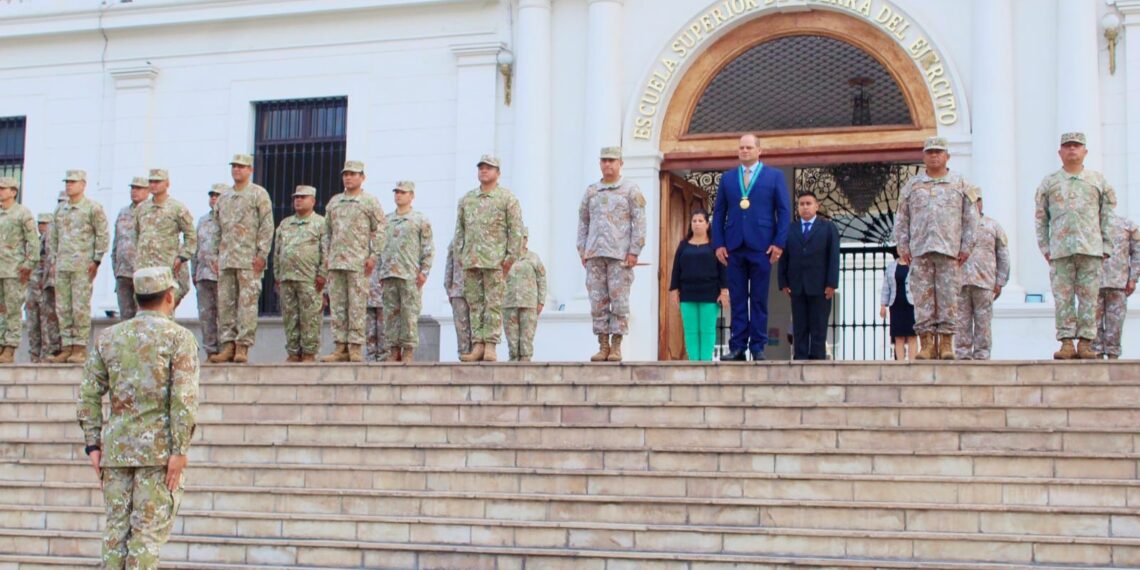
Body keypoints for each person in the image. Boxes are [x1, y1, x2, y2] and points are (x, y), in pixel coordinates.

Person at [77, 266, 199, 569]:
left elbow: (89, 393)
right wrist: (180, 450)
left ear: (136, 298)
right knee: (146, 536)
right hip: (158, 454)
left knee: (115, 533)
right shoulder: (178, 338)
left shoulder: (108, 338)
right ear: (169, 296)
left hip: (116, 452)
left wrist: (92, 444)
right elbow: (183, 399)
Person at [895, 136, 978, 360]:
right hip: (920, 250)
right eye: (930, 152)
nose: (934, 155)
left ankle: (947, 343)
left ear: (947, 156)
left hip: (950, 250)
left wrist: (967, 246)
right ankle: (927, 344)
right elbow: (902, 217)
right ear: (923, 156)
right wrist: (903, 246)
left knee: (949, 298)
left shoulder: (960, 183)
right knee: (922, 298)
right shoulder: (912, 185)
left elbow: (971, 218)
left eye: (938, 152)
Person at [1034, 132, 1116, 360]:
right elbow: (1041, 218)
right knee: (1063, 298)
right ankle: (1067, 343)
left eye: (1077, 146)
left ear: (1085, 152)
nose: (1072, 149)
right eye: (1068, 146)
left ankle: (1086, 343)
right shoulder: (1050, 183)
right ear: (1060, 152)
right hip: (1060, 251)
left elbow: (1108, 216)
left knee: (1089, 298)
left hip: (1091, 249)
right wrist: (1046, 247)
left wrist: (1106, 246)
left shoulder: (1097, 181)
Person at [712, 134, 791, 361]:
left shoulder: (774, 176)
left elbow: (784, 211)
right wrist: (719, 243)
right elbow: (719, 213)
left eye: (748, 147)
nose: (744, 151)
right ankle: (737, 347)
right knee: (737, 299)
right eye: (741, 148)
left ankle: (757, 346)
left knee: (758, 298)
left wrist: (779, 243)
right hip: (734, 246)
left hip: (762, 246)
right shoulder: (728, 178)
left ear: (759, 150)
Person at [577, 146, 647, 362]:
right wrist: (582, 249)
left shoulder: (630, 190)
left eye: (612, 160)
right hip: (595, 254)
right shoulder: (591, 191)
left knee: (619, 301)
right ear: (600, 163)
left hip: (620, 256)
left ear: (620, 163)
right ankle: (603, 345)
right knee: (597, 302)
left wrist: (634, 251)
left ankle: (616, 345)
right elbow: (583, 221)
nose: (607, 164)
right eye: (604, 160)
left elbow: (640, 222)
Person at [455, 154, 524, 363]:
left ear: (498, 173)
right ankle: (478, 344)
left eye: (489, 167)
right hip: (471, 260)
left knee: (493, 304)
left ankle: (491, 345)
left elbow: (516, 230)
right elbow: (460, 230)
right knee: (475, 304)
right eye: (481, 167)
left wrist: (510, 258)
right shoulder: (467, 199)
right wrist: (460, 254)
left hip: (495, 262)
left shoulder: (507, 199)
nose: (484, 170)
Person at [211, 154, 274, 364]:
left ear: (250, 170)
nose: (237, 170)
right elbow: (216, 228)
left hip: (249, 260)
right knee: (225, 304)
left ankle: (242, 346)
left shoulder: (258, 194)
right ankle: (227, 345)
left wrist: (262, 254)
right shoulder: (224, 197)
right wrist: (214, 256)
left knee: (247, 304)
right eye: (234, 166)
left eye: (241, 167)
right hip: (226, 259)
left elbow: (267, 226)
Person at [321, 160, 385, 363]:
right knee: (338, 306)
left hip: (358, 264)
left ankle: (355, 347)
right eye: (345, 174)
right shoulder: (334, 202)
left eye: (353, 174)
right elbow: (326, 232)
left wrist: (373, 256)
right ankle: (340, 347)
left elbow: (380, 230)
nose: (348, 177)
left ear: (362, 177)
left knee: (357, 305)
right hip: (336, 263)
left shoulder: (369, 202)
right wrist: (326, 256)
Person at [48, 170, 110, 364]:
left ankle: (80, 348)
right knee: (63, 307)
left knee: (80, 307)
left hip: (83, 266)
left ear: (83, 184)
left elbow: (102, 234)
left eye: (73, 182)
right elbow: (53, 237)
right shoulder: (61, 210)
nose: (69, 185)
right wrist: (53, 260)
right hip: (63, 265)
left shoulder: (92, 208)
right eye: (67, 182)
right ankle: (67, 347)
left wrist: (96, 260)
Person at [778, 192, 840, 360]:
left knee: (819, 324)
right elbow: (784, 257)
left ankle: (818, 358)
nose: (805, 207)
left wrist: (832, 283)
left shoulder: (828, 228)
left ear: (816, 206)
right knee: (800, 325)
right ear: (798, 207)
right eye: (802, 204)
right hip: (797, 285)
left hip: (820, 286)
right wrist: (783, 282)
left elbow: (833, 257)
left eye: (808, 203)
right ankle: (800, 357)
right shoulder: (790, 229)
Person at [380, 181, 433, 363]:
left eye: (403, 192)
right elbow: (379, 247)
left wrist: (424, 271)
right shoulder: (386, 220)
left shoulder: (419, 219)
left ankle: (408, 349)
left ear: (412, 196)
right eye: (396, 192)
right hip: (389, 273)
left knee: (409, 313)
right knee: (391, 314)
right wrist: (380, 271)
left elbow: (428, 247)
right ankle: (393, 349)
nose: (398, 195)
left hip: (410, 274)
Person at [274, 186, 328, 362]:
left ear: (313, 201)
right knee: (290, 317)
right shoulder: (285, 224)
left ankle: (309, 353)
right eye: (296, 197)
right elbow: (277, 251)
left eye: (303, 197)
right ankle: (293, 352)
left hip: (310, 279)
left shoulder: (321, 224)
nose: (298, 200)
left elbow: (326, 251)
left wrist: (323, 274)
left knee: (310, 317)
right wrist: (277, 275)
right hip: (287, 278)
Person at [956, 193, 1010, 360]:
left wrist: (1000, 281)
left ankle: (982, 356)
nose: (974, 205)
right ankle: (962, 356)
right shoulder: (956, 226)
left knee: (983, 322)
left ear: (981, 203)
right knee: (961, 322)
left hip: (984, 282)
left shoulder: (993, 226)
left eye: (977, 201)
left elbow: (1003, 254)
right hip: (960, 282)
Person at [669, 209, 728, 362]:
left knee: (707, 330)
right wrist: (674, 290)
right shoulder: (683, 245)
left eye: (700, 221)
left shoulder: (715, 245)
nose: (697, 224)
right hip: (687, 294)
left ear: (707, 224)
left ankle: (706, 362)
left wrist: (724, 291)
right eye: (694, 221)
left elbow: (723, 268)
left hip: (710, 294)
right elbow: (676, 269)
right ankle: (693, 362)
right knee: (691, 330)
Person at [134, 169, 196, 308]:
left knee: (164, 307)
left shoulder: (177, 208)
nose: (153, 185)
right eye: (151, 181)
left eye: (157, 181)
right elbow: (137, 234)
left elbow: (191, 236)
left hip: (165, 267)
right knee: (143, 308)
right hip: (144, 267)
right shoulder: (142, 208)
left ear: (167, 183)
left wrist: (182, 257)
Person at [0, 176, 38, 364]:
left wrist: (29, 265)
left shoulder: (22, 213)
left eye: (3, 188)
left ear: (13, 192)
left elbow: (33, 241)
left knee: (13, 309)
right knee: (1, 310)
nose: (0, 192)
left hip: (14, 271)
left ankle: (10, 347)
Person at [1092, 215, 1139, 359]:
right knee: (1092, 326)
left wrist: (1133, 278)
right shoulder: (1088, 224)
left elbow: (1137, 252)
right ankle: (1096, 359)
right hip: (1092, 284)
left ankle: (1113, 360)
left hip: (1118, 283)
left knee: (1116, 326)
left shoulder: (1127, 225)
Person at [503, 228, 547, 362]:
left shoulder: (534, 258)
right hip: (509, 303)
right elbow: (498, 279)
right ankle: (513, 367)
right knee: (512, 341)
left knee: (526, 341)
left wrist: (541, 301)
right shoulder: (505, 258)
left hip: (529, 303)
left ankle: (526, 366)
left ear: (526, 239)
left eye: (522, 237)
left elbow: (542, 279)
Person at [193, 184, 225, 360]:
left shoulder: (229, 220)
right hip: (203, 274)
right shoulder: (203, 220)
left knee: (224, 315)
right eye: (211, 195)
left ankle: (225, 350)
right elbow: (196, 247)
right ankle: (211, 351)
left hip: (222, 276)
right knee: (206, 315)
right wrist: (194, 271)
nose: (213, 198)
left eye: (217, 195)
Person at [111, 177, 148, 320]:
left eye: (139, 188)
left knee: (143, 317)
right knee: (126, 318)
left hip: (142, 272)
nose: (134, 191)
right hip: (123, 273)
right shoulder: (123, 212)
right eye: (133, 188)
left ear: (148, 191)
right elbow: (117, 242)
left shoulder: (151, 212)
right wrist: (116, 268)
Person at [26, 213, 61, 363]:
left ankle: (48, 353)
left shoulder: (53, 243)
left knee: (47, 322)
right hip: (33, 288)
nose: (42, 226)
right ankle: (35, 355)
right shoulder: (35, 242)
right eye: (40, 223)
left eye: (45, 223)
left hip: (45, 288)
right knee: (33, 323)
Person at [880, 249, 917, 360]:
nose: (902, 250)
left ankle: (912, 362)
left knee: (912, 335)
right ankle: (900, 363)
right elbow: (886, 287)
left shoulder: (914, 264)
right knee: (898, 336)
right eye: (900, 248)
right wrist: (883, 305)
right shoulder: (891, 267)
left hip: (911, 305)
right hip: (896, 304)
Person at [443, 237, 472, 359]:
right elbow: (449, 265)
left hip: (476, 291)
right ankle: (464, 356)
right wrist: (449, 289)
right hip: (458, 290)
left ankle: (478, 357)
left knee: (477, 327)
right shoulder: (455, 241)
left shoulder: (479, 237)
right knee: (461, 328)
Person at [365, 263, 387, 362]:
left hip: (383, 291)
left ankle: (383, 357)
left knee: (383, 329)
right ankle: (371, 357)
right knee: (369, 330)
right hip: (367, 289)